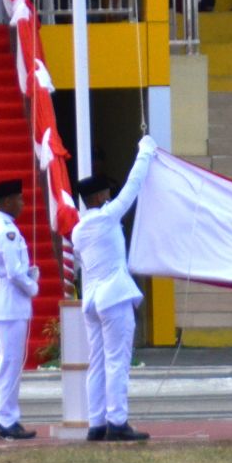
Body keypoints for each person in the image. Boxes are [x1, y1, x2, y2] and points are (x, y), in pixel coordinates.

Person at [73, 135, 157, 443]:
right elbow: (133, 186)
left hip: (93, 301)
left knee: (97, 362)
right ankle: (118, 421)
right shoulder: (107, 218)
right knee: (117, 361)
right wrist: (144, 152)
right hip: (114, 298)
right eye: (107, 192)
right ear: (97, 198)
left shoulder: (79, 229)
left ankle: (97, 423)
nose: (111, 195)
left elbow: (81, 263)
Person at [0, 179, 40, 441]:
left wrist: (27, 276)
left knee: (7, 362)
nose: (22, 204)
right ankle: (6, 420)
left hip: (7, 301)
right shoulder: (6, 231)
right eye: (19, 199)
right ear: (7, 201)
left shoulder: (2, 226)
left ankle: (6, 417)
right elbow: (13, 271)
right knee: (10, 363)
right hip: (10, 302)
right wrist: (32, 286)